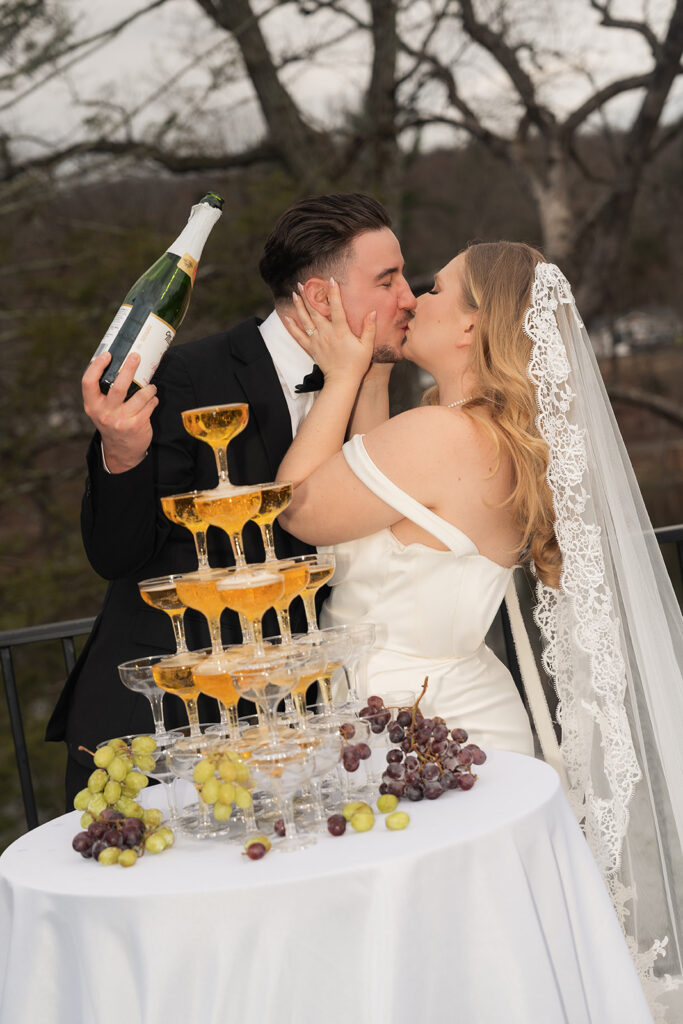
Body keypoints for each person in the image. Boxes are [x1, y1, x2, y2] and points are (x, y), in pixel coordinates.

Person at [276, 240, 683, 1020]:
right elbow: (377, 481)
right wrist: (377, 373)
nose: (412, 300)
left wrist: (339, 375)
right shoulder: (481, 431)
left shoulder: (442, 438)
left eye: (432, 289)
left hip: (408, 728)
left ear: (470, 328)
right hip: (455, 711)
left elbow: (297, 507)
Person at [45, 192, 416, 804]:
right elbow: (117, 555)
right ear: (320, 297)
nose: (406, 297)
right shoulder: (189, 375)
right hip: (167, 731)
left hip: (299, 727)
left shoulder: (368, 386)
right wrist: (122, 454)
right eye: (387, 279)